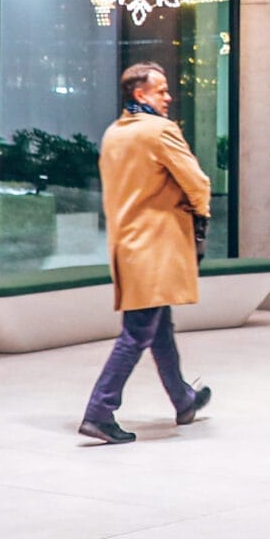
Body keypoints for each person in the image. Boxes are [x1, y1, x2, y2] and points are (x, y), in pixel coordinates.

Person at [79, 63, 214, 444]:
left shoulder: (114, 134)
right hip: (156, 244)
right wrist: (201, 218)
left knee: (158, 326)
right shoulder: (159, 131)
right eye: (162, 90)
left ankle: (183, 398)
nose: (168, 97)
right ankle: (100, 411)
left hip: (127, 244)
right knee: (138, 332)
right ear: (140, 95)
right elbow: (198, 182)